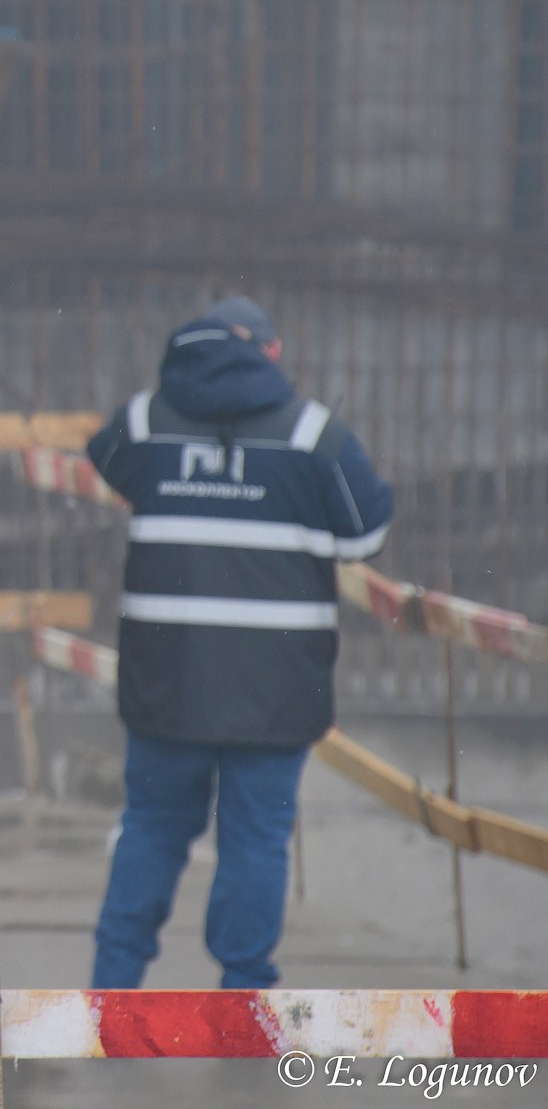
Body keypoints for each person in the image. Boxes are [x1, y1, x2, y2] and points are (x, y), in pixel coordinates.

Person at [83, 297, 394, 990]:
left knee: (154, 827)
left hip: (169, 678)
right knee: (256, 840)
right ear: (268, 353)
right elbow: (367, 536)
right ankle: (243, 1001)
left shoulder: (143, 423)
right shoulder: (317, 439)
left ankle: (110, 991)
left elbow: (104, 462)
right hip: (276, 686)